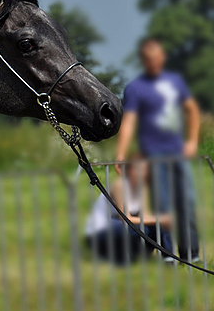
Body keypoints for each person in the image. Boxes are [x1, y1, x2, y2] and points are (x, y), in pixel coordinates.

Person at [115, 38, 201, 262]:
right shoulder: (135, 88)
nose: (154, 63)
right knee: (163, 205)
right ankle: (169, 255)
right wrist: (121, 152)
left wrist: (191, 141)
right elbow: (129, 121)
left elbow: (192, 110)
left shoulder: (175, 82)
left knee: (187, 203)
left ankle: (191, 255)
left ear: (163, 58)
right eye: (149, 60)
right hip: (153, 155)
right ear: (143, 61)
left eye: (158, 58)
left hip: (178, 153)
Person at [85, 157, 173, 264]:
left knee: (157, 225)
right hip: (100, 232)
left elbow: (145, 215)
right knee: (143, 228)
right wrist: (160, 220)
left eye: (145, 170)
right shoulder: (120, 186)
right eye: (139, 169)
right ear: (129, 171)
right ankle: (123, 257)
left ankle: (169, 258)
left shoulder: (142, 187)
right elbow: (125, 219)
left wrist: (162, 221)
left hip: (120, 228)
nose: (143, 173)